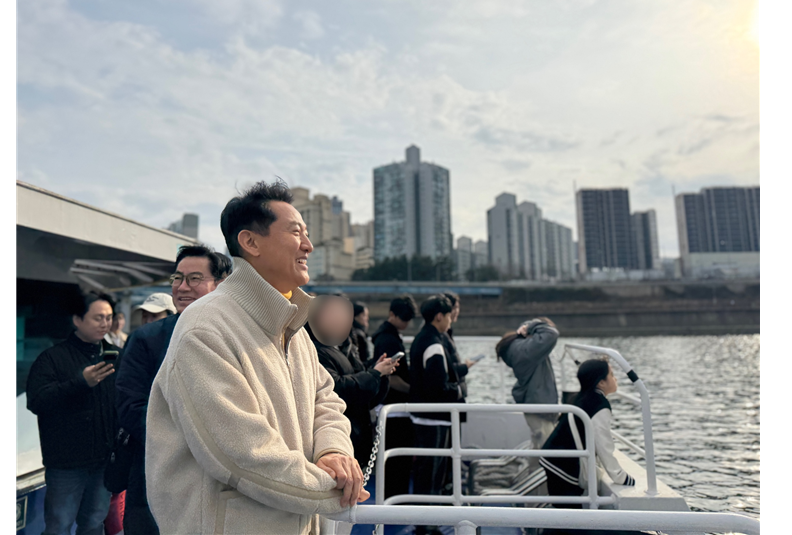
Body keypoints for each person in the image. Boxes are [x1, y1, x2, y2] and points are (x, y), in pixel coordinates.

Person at [146, 181, 366, 535]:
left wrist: (333, 452)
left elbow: (325, 400)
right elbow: (241, 454)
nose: (308, 245)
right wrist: (333, 490)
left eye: (307, 233)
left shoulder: (293, 328)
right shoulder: (205, 328)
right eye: (295, 232)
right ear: (250, 242)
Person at [115, 245, 232, 535]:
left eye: (194, 278)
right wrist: (195, 440)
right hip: (156, 478)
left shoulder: (238, 339)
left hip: (224, 484)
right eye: (177, 278)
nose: (181, 287)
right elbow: (130, 407)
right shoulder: (147, 339)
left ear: (220, 284)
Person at [26, 291, 120, 535]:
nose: (105, 323)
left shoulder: (115, 356)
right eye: (98, 317)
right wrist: (80, 383)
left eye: (109, 317)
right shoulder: (52, 358)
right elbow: (36, 401)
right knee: (59, 525)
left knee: (94, 524)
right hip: (66, 464)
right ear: (77, 320)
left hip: (103, 461)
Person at [308, 295, 397, 468]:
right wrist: (375, 373)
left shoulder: (344, 345)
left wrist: (377, 372)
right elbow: (336, 388)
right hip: (338, 434)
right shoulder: (316, 349)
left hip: (356, 430)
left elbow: (358, 379)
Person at [540, 358, 636, 512]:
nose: (615, 378)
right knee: (569, 514)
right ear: (601, 383)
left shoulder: (582, 397)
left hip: (555, 458)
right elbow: (604, 445)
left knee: (563, 509)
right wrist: (620, 477)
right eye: (611, 374)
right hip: (564, 465)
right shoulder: (599, 405)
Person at [409, 294, 464, 535]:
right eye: (449, 316)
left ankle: (426, 521)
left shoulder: (423, 338)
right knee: (431, 473)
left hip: (425, 415)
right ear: (440, 316)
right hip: (433, 418)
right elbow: (437, 387)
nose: (451, 320)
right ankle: (426, 524)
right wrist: (458, 391)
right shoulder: (433, 343)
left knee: (428, 471)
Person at [370, 294, 418, 500]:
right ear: (392, 314)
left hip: (392, 404)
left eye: (408, 319)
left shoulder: (388, 336)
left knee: (396, 457)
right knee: (397, 458)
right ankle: (395, 498)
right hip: (393, 406)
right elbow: (392, 376)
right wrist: (413, 390)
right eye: (403, 318)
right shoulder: (388, 340)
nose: (406, 323)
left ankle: (394, 497)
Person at [496, 317, 560, 450]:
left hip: (535, 403)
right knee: (547, 449)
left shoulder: (519, 348)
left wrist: (528, 326)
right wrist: (531, 326)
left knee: (538, 446)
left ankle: (534, 464)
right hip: (539, 405)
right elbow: (551, 334)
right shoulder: (527, 351)